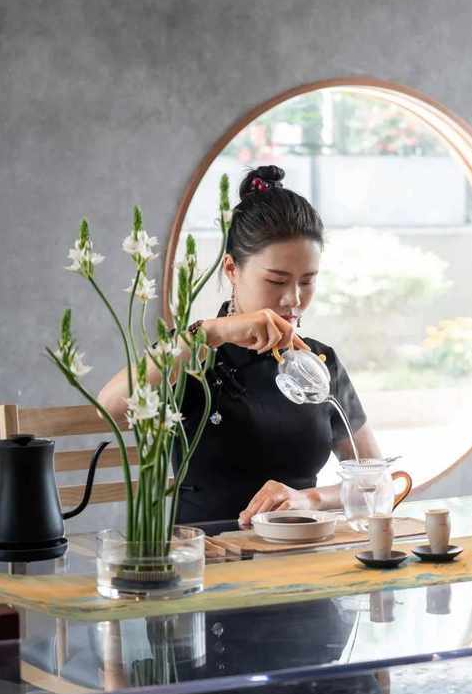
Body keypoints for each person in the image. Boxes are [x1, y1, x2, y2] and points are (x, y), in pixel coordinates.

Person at [99, 164, 385, 528]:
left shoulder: (318, 363)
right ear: (232, 269)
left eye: (307, 281)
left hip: (299, 552)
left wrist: (308, 498)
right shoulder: (191, 353)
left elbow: (376, 481)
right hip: (210, 551)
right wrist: (209, 333)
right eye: (277, 281)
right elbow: (110, 407)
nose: (294, 299)